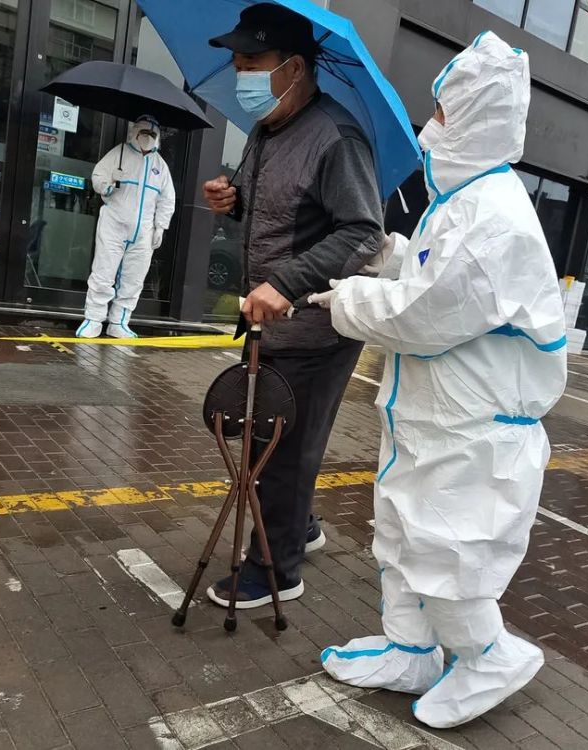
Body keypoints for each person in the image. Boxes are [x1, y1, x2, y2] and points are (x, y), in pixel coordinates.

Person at [311, 32, 568, 729]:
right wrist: (395, 257)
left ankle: (489, 655)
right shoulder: (462, 203)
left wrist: (351, 301)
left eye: (446, 115)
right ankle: (411, 648)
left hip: (473, 431)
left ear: (481, 119)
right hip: (432, 419)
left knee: (451, 552)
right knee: (400, 535)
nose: (430, 130)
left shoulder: (497, 216)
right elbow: (433, 281)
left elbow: (428, 313)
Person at [201, 4, 384, 609]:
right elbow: (279, 214)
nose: (240, 75)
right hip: (269, 324)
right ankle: (298, 523)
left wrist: (289, 283)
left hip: (315, 328)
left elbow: (363, 232)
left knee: (278, 448)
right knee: (275, 440)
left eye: (250, 63)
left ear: (294, 67)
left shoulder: (337, 136)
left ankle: (276, 570)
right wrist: (232, 200)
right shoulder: (265, 131)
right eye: (235, 64)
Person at [77, 115, 176, 339]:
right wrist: (108, 185)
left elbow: (167, 199)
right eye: (143, 133)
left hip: (144, 231)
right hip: (114, 223)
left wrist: (160, 226)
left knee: (134, 278)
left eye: (152, 135)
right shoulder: (119, 154)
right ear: (135, 132)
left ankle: (119, 322)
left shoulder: (160, 166)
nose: (147, 138)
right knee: (104, 271)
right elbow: (98, 176)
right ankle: (93, 318)